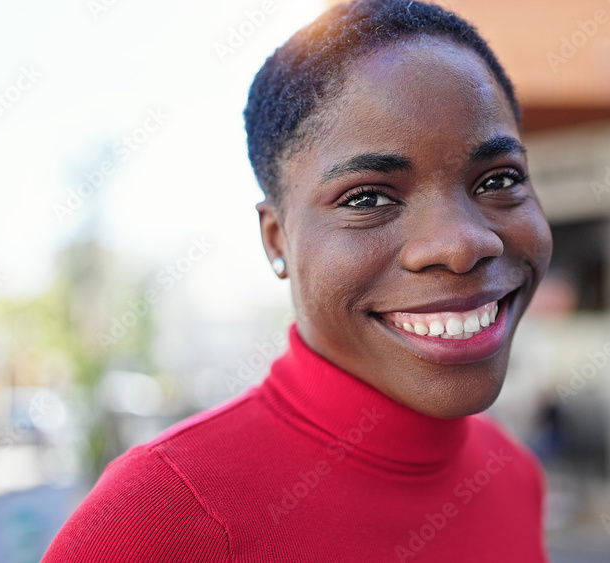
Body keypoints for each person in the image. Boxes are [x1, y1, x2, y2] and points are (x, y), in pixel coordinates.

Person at [42, 0, 553, 560]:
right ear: (277, 239)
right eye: (368, 197)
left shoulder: (512, 475)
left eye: (499, 179)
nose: (462, 244)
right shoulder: (163, 515)